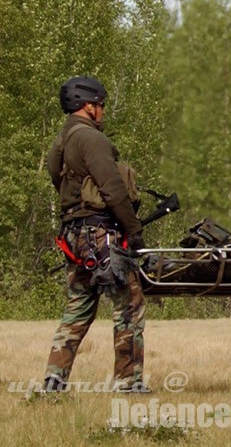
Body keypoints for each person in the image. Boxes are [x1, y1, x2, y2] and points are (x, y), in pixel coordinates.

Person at [42, 75, 148, 393]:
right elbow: (113, 189)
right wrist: (134, 230)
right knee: (129, 303)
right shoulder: (91, 139)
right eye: (100, 105)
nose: (102, 111)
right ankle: (128, 382)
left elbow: (54, 177)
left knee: (79, 305)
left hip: (74, 236)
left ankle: (54, 380)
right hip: (101, 236)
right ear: (88, 106)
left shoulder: (62, 140)